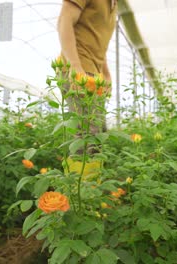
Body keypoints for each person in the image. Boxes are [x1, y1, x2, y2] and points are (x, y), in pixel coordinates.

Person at [57, 0, 117, 178]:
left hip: (93, 72)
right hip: (79, 69)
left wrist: (105, 72)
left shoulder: (114, 4)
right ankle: (78, 193)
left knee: (98, 134)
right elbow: (63, 22)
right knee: (86, 136)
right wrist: (76, 68)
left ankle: (93, 189)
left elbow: (96, 39)